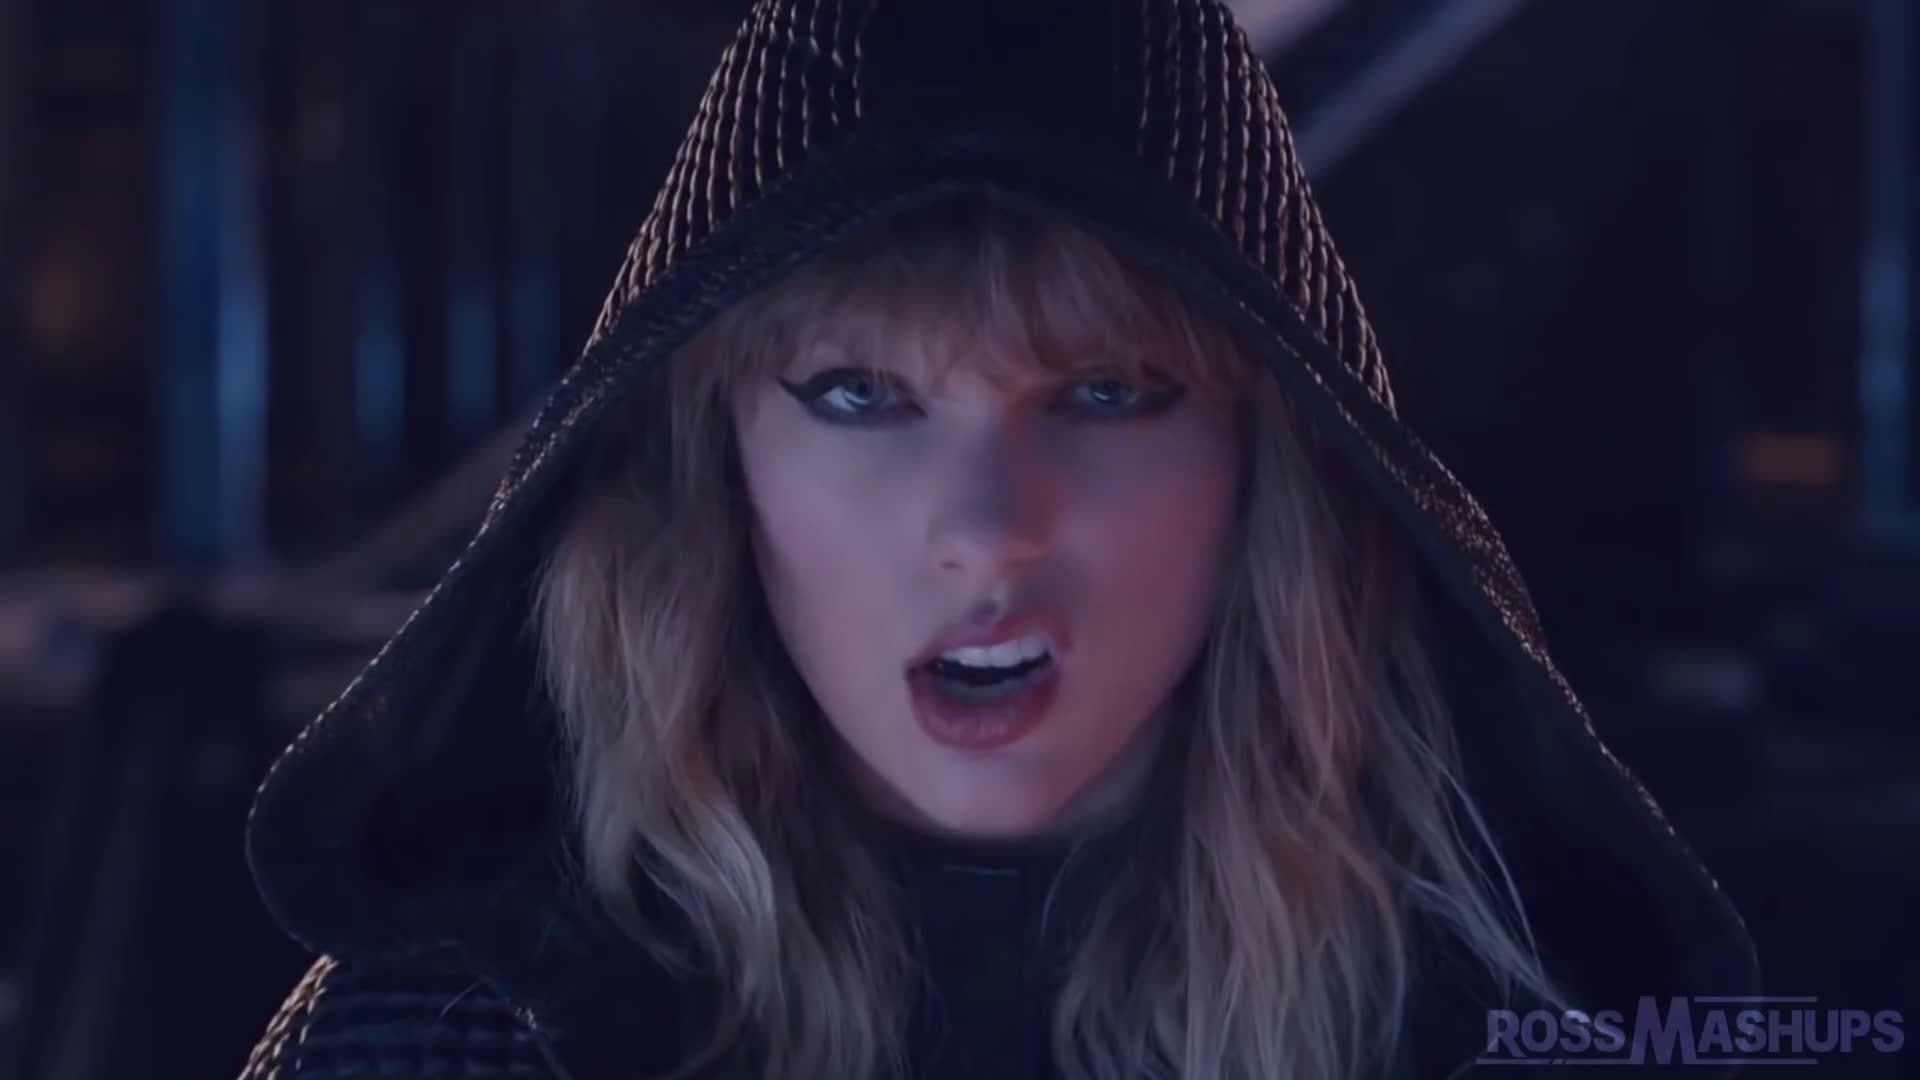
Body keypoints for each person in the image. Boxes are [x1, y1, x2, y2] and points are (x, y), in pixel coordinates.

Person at [237, 1, 1759, 1078]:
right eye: (859, 395)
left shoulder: (1517, 1039)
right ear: (716, 476)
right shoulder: (439, 1042)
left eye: (1107, 392)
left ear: (1269, 474)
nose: (985, 532)